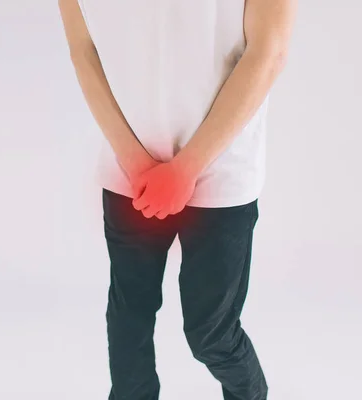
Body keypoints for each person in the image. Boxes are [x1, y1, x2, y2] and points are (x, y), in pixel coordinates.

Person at [58, 0, 297, 399]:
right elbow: (84, 50)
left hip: (222, 174)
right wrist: (133, 159)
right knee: (129, 320)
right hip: (132, 175)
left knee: (212, 333)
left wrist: (187, 168)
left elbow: (269, 51)